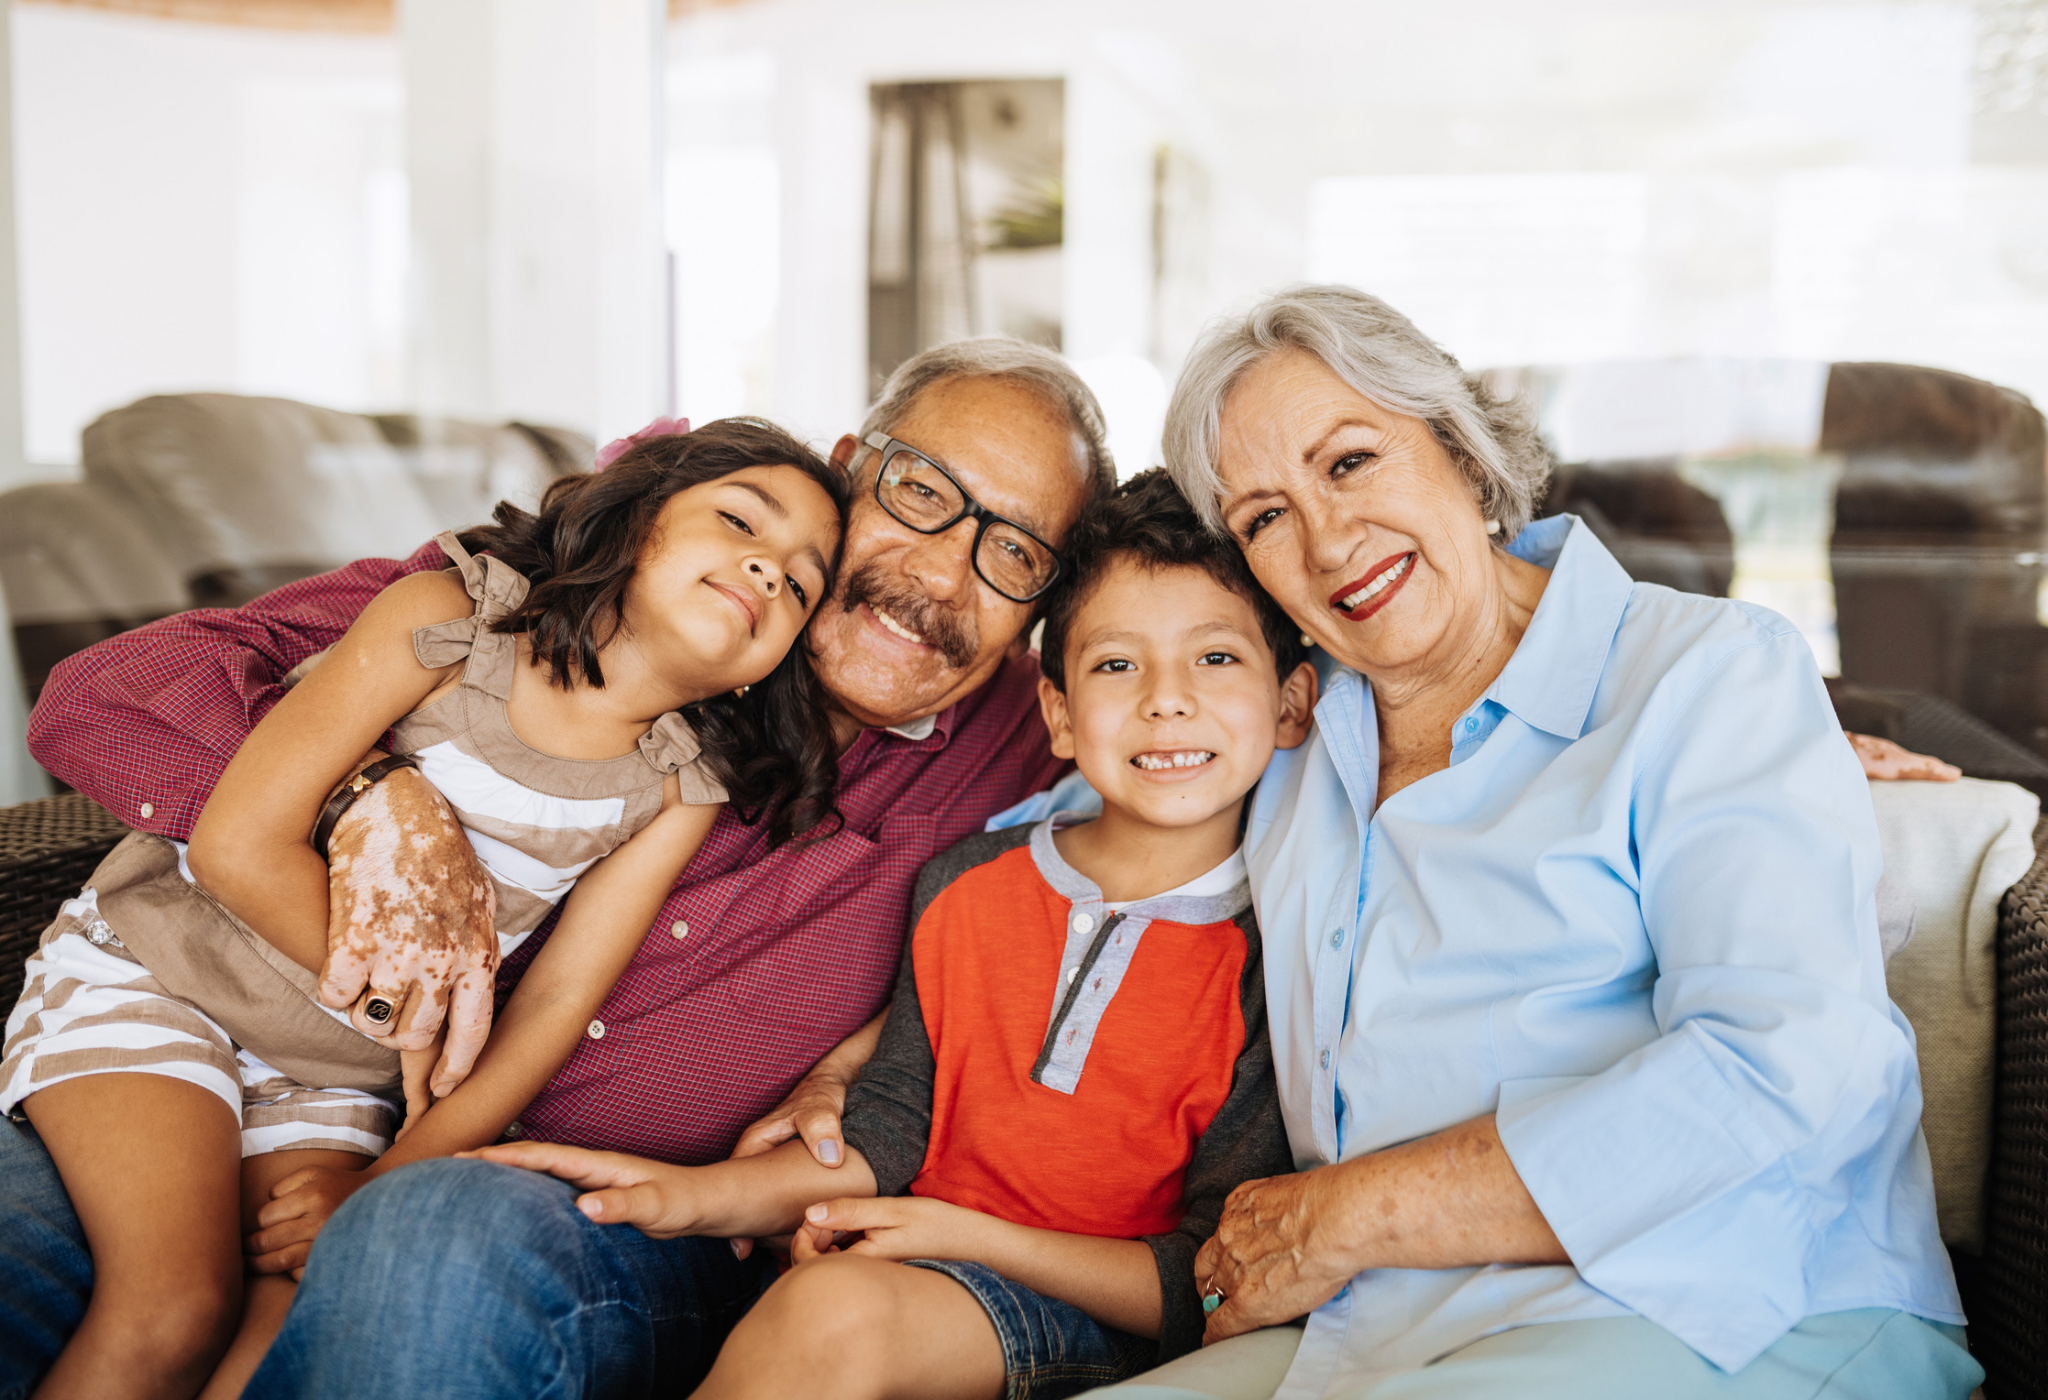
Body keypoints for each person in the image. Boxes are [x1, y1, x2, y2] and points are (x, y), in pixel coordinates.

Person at [0, 338, 1112, 1398]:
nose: (939, 572)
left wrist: (868, 1056)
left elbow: (1203, 713)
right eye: (920, 491)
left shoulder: (1033, 729)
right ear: (846, 468)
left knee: (421, 1242)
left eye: (1013, 551)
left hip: (596, 1213)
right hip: (227, 1044)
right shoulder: (552, 595)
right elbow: (105, 700)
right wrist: (363, 795)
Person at [1073, 285, 1977, 1399]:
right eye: (1261, 516)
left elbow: (1779, 1067)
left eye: (1348, 461)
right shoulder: (1289, 730)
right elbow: (1072, 820)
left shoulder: (1705, 677)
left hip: (1721, 1308)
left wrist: (1347, 1212)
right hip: (1384, 1326)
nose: (1325, 536)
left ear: (1457, 445)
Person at [472, 468, 1313, 1400]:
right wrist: (680, 1197)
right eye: (1117, 664)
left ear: (1292, 704)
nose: (1167, 699)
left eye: (1217, 658)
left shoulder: (1278, 955)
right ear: (1059, 714)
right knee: (817, 1302)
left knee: (833, 1316)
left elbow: (1211, 1277)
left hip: (1089, 1316)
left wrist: (957, 1238)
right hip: (893, 1265)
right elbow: (888, 1133)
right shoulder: (964, 882)